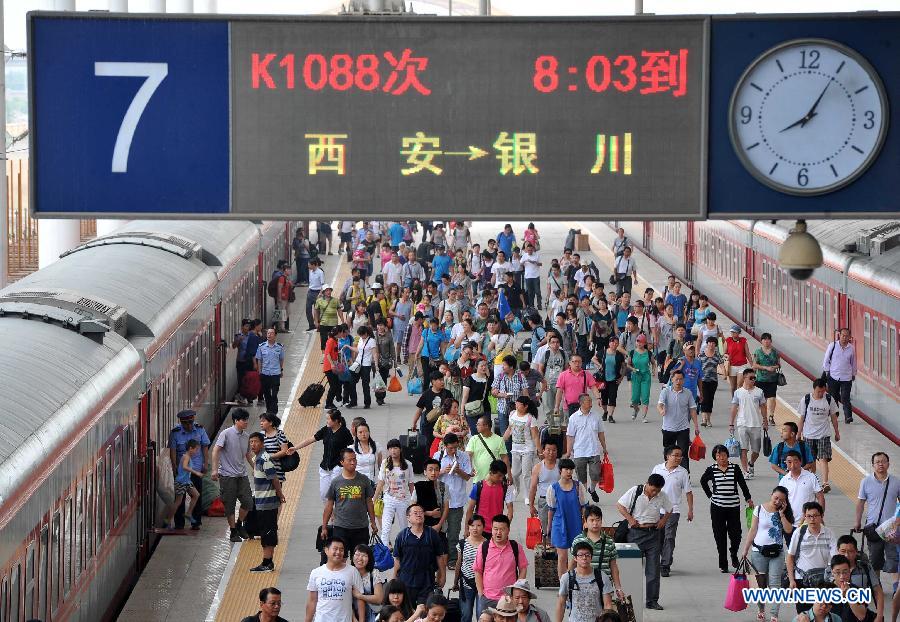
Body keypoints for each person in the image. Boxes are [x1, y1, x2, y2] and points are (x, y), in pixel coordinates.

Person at [615, 473, 673, 611]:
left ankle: (652, 601)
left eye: (657, 491)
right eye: (653, 490)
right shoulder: (635, 491)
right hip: (635, 534)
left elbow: (670, 509)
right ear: (647, 483)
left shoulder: (662, 495)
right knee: (630, 569)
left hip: (653, 534)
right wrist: (630, 519)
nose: (655, 493)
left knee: (653, 570)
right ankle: (627, 599)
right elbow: (619, 505)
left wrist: (663, 521)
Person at [740, 485, 795, 622]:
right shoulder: (759, 509)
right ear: (771, 495)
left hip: (777, 553)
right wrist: (745, 549)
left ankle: (774, 614)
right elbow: (753, 530)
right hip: (758, 552)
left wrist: (782, 513)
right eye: (776, 498)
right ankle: (761, 609)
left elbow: (788, 530)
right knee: (760, 584)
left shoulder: (784, 512)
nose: (777, 502)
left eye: (781, 500)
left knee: (775, 584)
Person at [700, 444, 754, 573]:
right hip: (717, 507)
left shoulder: (734, 468)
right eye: (718, 455)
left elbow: (742, 483)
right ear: (715, 457)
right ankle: (723, 563)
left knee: (736, 535)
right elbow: (703, 481)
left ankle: (733, 553)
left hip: (733, 506)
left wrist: (748, 498)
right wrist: (710, 496)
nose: (721, 458)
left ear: (727, 456)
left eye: (724, 455)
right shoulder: (711, 469)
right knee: (720, 535)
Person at [322, 448, 378, 556]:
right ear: (342, 462)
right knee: (340, 559)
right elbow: (329, 505)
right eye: (349, 460)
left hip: (361, 528)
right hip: (340, 528)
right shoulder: (336, 482)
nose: (353, 462)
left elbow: (369, 502)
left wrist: (373, 522)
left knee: (360, 560)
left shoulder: (364, 480)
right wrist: (324, 527)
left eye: (354, 459)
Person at [855, 452, 900, 581]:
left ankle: (896, 590)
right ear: (873, 465)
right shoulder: (866, 482)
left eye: (883, 461)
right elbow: (860, 503)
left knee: (894, 560)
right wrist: (857, 521)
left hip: (892, 529)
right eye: (877, 462)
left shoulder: (896, 482)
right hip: (873, 528)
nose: (881, 464)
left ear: (888, 464)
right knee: (874, 561)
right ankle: (877, 588)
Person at [786, 502, 837, 614]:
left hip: (823, 581)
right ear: (805, 517)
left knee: (822, 612)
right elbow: (790, 557)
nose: (812, 519)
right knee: (803, 614)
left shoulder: (829, 534)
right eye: (809, 516)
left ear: (821, 516)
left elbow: (835, 559)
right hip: (801, 580)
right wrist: (791, 580)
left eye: (815, 516)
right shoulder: (799, 533)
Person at [211, 408, 253, 543]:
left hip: (242, 475)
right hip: (227, 476)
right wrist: (214, 469)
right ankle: (233, 531)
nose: (246, 422)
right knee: (229, 504)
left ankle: (239, 524)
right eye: (244, 420)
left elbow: (247, 455)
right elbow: (216, 450)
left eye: (247, 419)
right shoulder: (226, 434)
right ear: (236, 421)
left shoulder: (246, 436)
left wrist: (255, 468)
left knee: (248, 502)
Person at [651, 446, 694, 577]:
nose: (678, 458)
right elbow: (650, 487)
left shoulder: (683, 472)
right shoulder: (657, 469)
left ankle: (665, 564)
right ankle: (659, 559)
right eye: (675, 455)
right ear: (667, 456)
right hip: (656, 509)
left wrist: (690, 510)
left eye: (680, 456)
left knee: (669, 537)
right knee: (658, 537)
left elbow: (688, 492)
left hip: (673, 510)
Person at [474, 514, 528, 617]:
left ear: (508, 530)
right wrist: (481, 594)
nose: (498, 532)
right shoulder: (484, 547)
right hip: (488, 598)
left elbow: (523, 568)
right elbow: (477, 571)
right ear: (491, 529)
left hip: (509, 600)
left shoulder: (515, 547)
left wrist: (516, 590)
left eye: (502, 529)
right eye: (495, 529)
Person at [568, 505, 625, 602]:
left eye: (598, 520)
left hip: (604, 588)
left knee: (604, 615)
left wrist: (618, 588)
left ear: (601, 521)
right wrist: (568, 583)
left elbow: (613, 567)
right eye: (592, 520)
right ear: (585, 522)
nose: (595, 523)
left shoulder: (609, 541)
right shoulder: (578, 540)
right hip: (582, 586)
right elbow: (573, 563)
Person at [393, 503, 447, 603]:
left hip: (427, 581)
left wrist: (443, 576)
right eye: (415, 513)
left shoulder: (432, 534)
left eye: (421, 512)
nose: (419, 515)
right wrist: (394, 580)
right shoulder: (402, 536)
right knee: (408, 612)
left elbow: (439, 557)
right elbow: (397, 559)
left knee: (424, 613)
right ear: (408, 518)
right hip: (406, 581)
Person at [247, 432, 285, 573]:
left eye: (256, 441)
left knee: (268, 532)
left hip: (268, 503)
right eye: (251, 442)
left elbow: (274, 479)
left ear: (262, 443)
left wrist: (280, 495)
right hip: (261, 502)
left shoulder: (264, 459)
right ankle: (266, 562)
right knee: (265, 531)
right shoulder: (257, 458)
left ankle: (268, 563)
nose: (253, 444)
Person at [296, 409, 354, 502]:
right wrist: (295, 448)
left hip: (338, 467)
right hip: (324, 467)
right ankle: (332, 515)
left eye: (328, 419)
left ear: (335, 421)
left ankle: (336, 515)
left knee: (337, 494)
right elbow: (311, 439)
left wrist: (348, 464)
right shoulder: (326, 430)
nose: (326, 421)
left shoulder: (344, 432)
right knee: (324, 495)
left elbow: (351, 448)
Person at [306, 536, 366, 622]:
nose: (338, 552)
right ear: (326, 550)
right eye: (335, 549)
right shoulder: (316, 573)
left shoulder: (352, 571)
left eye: (341, 550)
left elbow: (360, 599)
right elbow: (312, 601)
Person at [434, 432, 473, 565]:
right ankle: (440, 555)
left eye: (455, 447)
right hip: (440, 501)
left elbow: (468, 476)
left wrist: (458, 471)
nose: (453, 450)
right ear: (445, 446)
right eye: (450, 448)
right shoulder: (438, 456)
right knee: (440, 531)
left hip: (456, 501)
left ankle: (452, 558)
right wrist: (442, 471)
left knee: (454, 532)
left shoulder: (463, 457)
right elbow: (431, 475)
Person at [168, 409, 210, 530]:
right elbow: (173, 451)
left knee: (197, 496)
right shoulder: (175, 433)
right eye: (186, 423)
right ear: (181, 422)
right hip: (182, 472)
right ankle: (179, 523)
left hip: (196, 467)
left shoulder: (200, 430)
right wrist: (174, 467)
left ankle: (196, 522)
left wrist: (205, 463)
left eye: (190, 422)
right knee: (179, 499)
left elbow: (205, 447)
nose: (189, 425)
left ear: (193, 420)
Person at [799, 378, 842, 494]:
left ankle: (825, 482)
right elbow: (802, 418)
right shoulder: (806, 399)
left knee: (823, 459)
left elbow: (833, 417)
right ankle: (812, 481)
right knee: (811, 460)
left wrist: (837, 432)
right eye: (819, 391)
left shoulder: (829, 399)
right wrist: (799, 433)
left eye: (823, 391)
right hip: (808, 434)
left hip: (824, 434)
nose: (821, 394)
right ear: (814, 389)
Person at [564, 394, 608, 503]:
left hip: (593, 451)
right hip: (579, 452)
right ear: (581, 403)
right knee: (581, 477)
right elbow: (570, 436)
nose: (591, 403)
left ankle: (592, 489)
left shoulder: (596, 416)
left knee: (596, 474)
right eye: (588, 401)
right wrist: (568, 451)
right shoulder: (574, 418)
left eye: (590, 401)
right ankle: (585, 499)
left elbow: (601, 433)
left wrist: (604, 447)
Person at [657, 369, 700, 472]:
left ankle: (685, 475)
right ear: (672, 380)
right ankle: (668, 472)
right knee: (668, 453)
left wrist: (696, 426)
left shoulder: (688, 393)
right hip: (668, 428)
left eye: (680, 379)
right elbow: (660, 404)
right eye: (676, 379)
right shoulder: (665, 391)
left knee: (683, 453)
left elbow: (693, 410)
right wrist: (661, 410)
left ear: (683, 380)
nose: (678, 381)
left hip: (683, 428)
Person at [374, 439, 415, 545]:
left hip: (404, 500)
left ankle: (404, 550)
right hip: (389, 499)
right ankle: (385, 552)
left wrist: (413, 500)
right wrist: (375, 497)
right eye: (391, 448)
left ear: (400, 449)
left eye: (395, 448)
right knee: (386, 528)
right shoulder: (385, 463)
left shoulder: (408, 464)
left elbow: (411, 484)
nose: (393, 451)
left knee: (404, 527)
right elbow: (381, 481)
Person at [730, 368, 768, 480]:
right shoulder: (738, 392)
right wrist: (731, 424)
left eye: (754, 378)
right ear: (744, 378)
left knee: (756, 450)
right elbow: (734, 408)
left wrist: (765, 420)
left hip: (756, 424)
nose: (753, 380)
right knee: (743, 449)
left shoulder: (759, 392)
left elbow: (763, 407)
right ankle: (745, 471)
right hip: (742, 424)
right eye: (751, 378)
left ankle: (751, 463)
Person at [503, 397, 541, 502]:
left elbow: (535, 436)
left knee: (526, 474)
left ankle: (528, 495)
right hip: (515, 449)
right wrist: (502, 441)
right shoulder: (512, 414)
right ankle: (516, 489)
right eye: (516, 403)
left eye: (519, 404)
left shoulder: (530, 419)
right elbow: (509, 429)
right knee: (514, 473)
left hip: (527, 450)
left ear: (525, 406)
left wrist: (540, 450)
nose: (516, 405)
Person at [838, 534, 884, 621]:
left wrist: (879, 616)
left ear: (856, 552)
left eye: (850, 551)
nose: (846, 555)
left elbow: (878, 591)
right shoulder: (830, 570)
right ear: (838, 551)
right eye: (843, 551)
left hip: (861, 614)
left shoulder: (865, 568)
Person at [466, 460, 515, 532]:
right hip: (480, 530)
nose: (501, 479)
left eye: (503, 476)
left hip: (496, 530)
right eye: (499, 476)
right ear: (491, 473)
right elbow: (470, 509)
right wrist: (467, 529)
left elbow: (510, 511)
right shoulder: (479, 486)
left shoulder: (506, 488)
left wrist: (505, 527)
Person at [163, 439, 202, 529]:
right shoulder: (186, 457)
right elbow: (184, 466)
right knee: (178, 502)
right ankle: (167, 520)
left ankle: (188, 513)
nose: (196, 452)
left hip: (187, 481)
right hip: (181, 482)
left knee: (196, 495)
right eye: (196, 449)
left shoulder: (188, 457)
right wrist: (196, 473)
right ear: (190, 448)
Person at [553, 354, 601, 427]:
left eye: (579, 362)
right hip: (568, 407)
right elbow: (559, 392)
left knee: (583, 427)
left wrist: (598, 398)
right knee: (569, 429)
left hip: (583, 406)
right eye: (574, 362)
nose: (577, 364)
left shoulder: (586, 374)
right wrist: (556, 407)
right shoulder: (563, 375)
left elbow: (593, 387)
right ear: (569, 363)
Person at [780, 451, 825, 527]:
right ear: (786, 463)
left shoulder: (811, 477)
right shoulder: (783, 481)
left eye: (795, 461)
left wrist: (820, 515)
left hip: (808, 523)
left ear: (801, 462)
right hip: (790, 523)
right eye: (789, 462)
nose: (793, 465)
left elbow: (820, 497)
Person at [822, 327, 858, 424]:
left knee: (845, 397)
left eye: (847, 336)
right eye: (843, 335)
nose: (844, 338)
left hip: (846, 377)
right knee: (833, 397)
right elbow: (826, 360)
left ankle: (848, 417)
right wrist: (827, 371)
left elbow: (853, 362)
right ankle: (835, 414)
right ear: (840, 335)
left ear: (850, 337)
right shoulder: (832, 346)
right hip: (833, 376)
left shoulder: (851, 348)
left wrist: (853, 374)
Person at [456, 515, 487, 622]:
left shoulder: (487, 545)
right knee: (466, 614)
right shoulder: (462, 543)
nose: (475, 528)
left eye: (478, 525)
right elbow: (459, 563)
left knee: (481, 614)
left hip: (483, 585)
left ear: (483, 527)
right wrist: (456, 582)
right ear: (468, 527)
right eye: (472, 525)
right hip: (466, 584)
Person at [413, 371, 454, 449]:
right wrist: (414, 423)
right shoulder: (426, 394)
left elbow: (453, 409)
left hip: (444, 425)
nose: (442, 382)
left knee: (443, 446)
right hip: (429, 425)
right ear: (433, 381)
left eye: (443, 379)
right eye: (440, 380)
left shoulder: (448, 394)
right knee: (428, 446)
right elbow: (419, 410)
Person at [529, 440, 561, 537]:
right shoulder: (538, 467)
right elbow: (533, 487)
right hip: (544, 501)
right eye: (548, 450)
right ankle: (546, 549)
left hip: (559, 500)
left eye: (554, 450)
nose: (551, 453)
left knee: (559, 529)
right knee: (546, 529)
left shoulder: (561, 466)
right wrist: (531, 505)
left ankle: (557, 551)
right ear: (543, 451)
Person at [467, 416, 510, 484]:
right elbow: (468, 455)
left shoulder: (499, 440)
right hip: (478, 479)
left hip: (495, 480)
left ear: (486, 426)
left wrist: (509, 475)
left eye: (478, 424)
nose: (476, 426)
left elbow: (505, 458)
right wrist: (469, 468)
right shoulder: (473, 439)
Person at [753, 333, 782, 426]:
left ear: (771, 341)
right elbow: (754, 365)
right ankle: (764, 417)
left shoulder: (775, 352)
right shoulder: (757, 352)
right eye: (764, 339)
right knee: (762, 400)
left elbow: (779, 364)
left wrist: (774, 367)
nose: (766, 341)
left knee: (772, 398)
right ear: (761, 341)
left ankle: (771, 416)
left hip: (772, 379)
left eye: (768, 339)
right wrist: (766, 368)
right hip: (760, 379)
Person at [414, 459, 450, 533]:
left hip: (440, 526)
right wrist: (430, 513)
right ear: (425, 472)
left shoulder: (443, 486)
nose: (433, 473)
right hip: (422, 525)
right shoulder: (419, 486)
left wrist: (439, 525)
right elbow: (413, 507)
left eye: (436, 470)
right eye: (430, 470)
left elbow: (446, 508)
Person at [595, 337, 625, 424]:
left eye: (616, 343)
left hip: (614, 379)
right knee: (604, 398)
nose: (614, 344)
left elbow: (624, 366)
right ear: (609, 343)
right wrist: (600, 365)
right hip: (603, 379)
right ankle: (605, 412)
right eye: (613, 342)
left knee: (612, 397)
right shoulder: (603, 352)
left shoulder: (619, 355)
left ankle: (611, 416)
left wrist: (621, 378)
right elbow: (593, 358)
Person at [255, 328, 285, 414]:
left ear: (275, 335)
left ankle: (274, 411)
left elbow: (281, 359)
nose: (269, 335)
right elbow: (259, 359)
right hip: (265, 374)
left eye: (271, 333)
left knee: (274, 394)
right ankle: (269, 410)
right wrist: (259, 372)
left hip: (275, 374)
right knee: (267, 394)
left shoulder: (280, 347)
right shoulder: (261, 346)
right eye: (268, 333)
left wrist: (281, 369)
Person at [627, 334, 655, 422]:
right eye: (637, 341)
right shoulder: (632, 352)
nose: (639, 343)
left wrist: (653, 370)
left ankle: (644, 417)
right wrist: (633, 369)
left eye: (641, 342)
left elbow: (653, 363)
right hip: (636, 376)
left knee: (645, 396)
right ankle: (636, 409)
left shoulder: (648, 353)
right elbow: (628, 364)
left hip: (645, 376)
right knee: (635, 398)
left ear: (644, 343)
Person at [697, 337, 723, 428]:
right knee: (704, 398)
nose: (711, 344)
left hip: (713, 380)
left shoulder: (717, 355)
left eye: (713, 343)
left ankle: (708, 419)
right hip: (703, 380)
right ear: (707, 344)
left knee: (710, 399)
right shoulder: (701, 355)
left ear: (715, 345)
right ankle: (704, 419)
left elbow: (721, 364)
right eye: (709, 343)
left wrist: (724, 373)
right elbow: (697, 367)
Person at [315, 284, 346, 351]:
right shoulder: (319, 301)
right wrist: (316, 321)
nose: (328, 292)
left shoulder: (335, 300)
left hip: (333, 323)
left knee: (334, 339)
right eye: (326, 291)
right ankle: (324, 355)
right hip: (323, 323)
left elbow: (339, 310)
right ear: (323, 292)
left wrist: (343, 321)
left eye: (329, 290)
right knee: (323, 339)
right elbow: (316, 311)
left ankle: (334, 354)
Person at [724, 325, 753, 395]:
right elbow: (724, 353)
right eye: (732, 332)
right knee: (733, 387)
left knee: (739, 384)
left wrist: (752, 365)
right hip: (732, 366)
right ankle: (734, 401)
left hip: (742, 366)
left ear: (738, 333)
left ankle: (740, 401)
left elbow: (748, 354)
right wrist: (726, 356)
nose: (732, 334)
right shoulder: (728, 340)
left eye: (734, 332)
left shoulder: (743, 341)